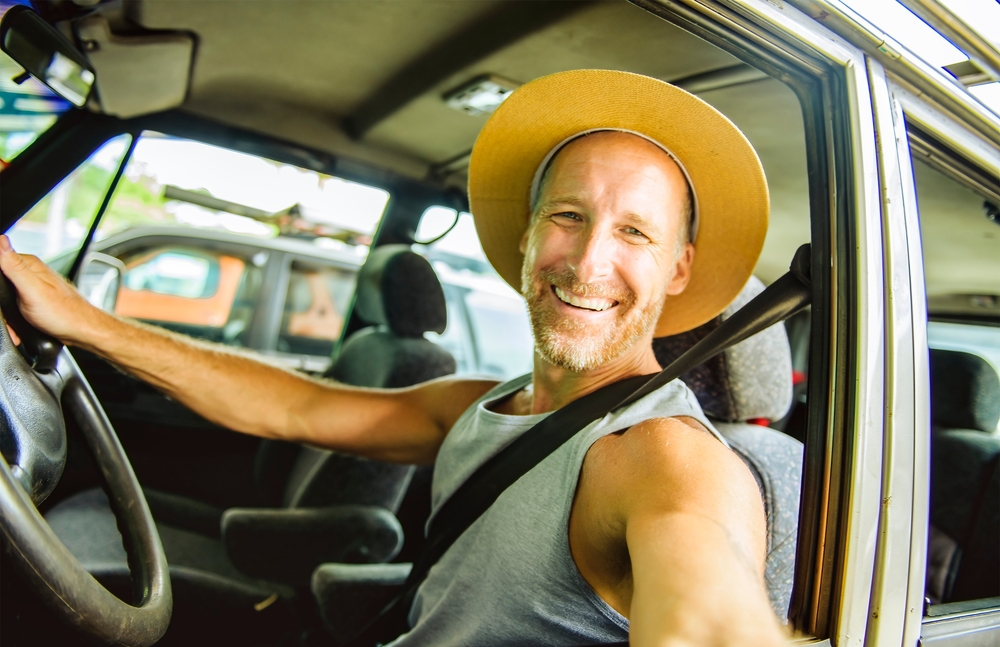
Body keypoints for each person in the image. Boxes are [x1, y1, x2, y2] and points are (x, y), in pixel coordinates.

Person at [0, 69, 784, 645]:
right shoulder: (481, 402)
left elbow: (709, 616)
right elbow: (291, 405)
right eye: (568, 215)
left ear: (679, 268)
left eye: (635, 233)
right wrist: (82, 321)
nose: (584, 262)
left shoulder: (667, 459)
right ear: (526, 233)